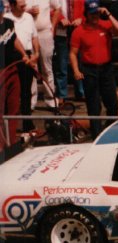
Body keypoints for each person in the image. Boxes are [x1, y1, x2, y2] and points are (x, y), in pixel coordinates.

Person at [69, 0, 118, 139]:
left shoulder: (105, 25)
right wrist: (76, 70)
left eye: (96, 13)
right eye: (91, 13)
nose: (94, 16)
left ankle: (112, 130)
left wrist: (109, 14)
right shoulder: (79, 31)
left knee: (112, 102)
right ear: (86, 14)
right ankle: (96, 135)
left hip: (106, 68)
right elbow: (73, 53)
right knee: (93, 105)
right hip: (89, 70)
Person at [0, 0, 32, 158]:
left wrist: (24, 54)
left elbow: (15, 40)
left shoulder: (8, 23)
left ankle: (11, 143)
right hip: (0, 73)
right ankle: (0, 148)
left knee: (13, 109)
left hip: (12, 70)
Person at [5, 0, 40, 132]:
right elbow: (13, 40)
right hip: (12, 58)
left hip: (28, 57)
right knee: (11, 94)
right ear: (12, 6)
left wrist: (36, 53)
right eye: (22, 6)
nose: (25, 7)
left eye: (25, 5)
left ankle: (27, 123)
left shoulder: (29, 17)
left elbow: (35, 37)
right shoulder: (6, 19)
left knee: (26, 93)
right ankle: (9, 127)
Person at [26, 0, 61, 109]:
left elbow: (57, 9)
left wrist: (53, 27)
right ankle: (32, 101)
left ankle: (51, 99)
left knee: (47, 67)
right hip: (29, 33)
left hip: (44, 32)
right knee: (32, 68)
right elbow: (15, 11)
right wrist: (29, 11)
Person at [54, 0, 85, 104]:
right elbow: (49, 9)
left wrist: (81, 19)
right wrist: (60, 18)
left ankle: (81, 92)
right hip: (61, 29)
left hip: (78, 29)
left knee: (80, 62)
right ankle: (62, 94)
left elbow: (88, 8)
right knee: (61, 65)